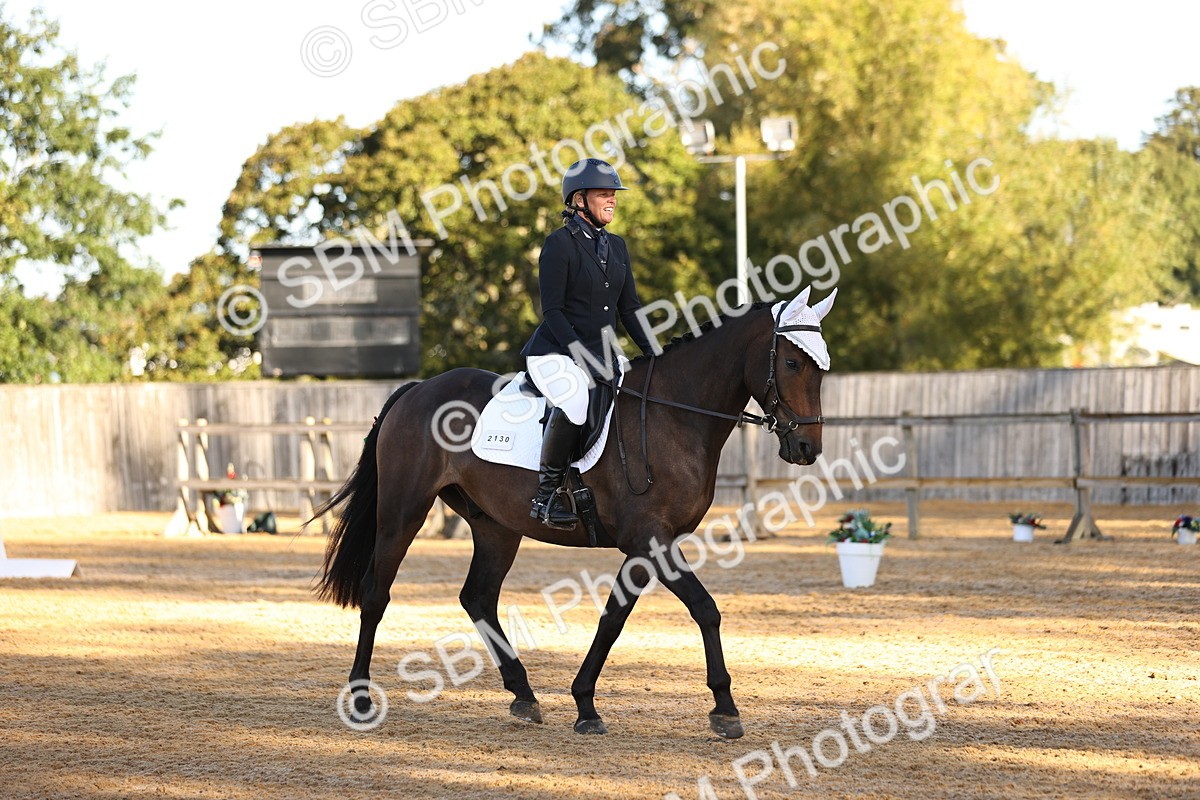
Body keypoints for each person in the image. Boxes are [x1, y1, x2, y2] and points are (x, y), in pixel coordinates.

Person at [520, 158, 655, 530]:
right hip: (554, 352)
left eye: (614, 194)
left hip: (604, 353)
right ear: (579, 199)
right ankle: (545, 496)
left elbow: (630, 309)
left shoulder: (618, 246)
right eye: (604, 194)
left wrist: (655, 353)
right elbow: (553, 311)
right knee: (577, 400)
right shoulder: (559, 244)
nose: (612, 200)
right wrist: (582, 356)